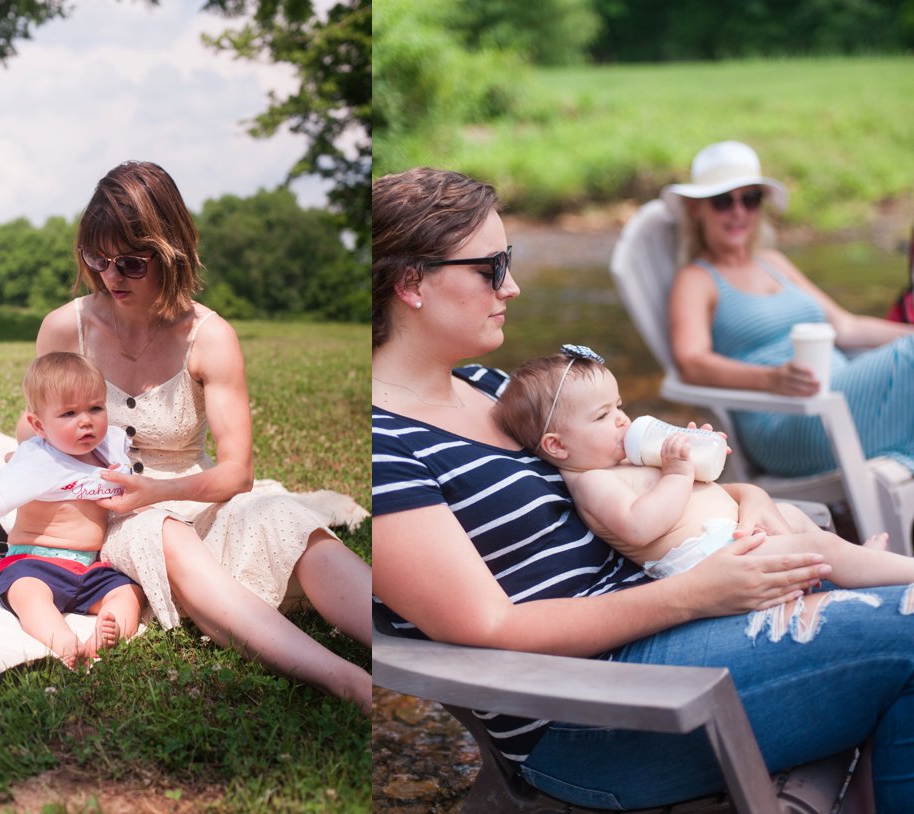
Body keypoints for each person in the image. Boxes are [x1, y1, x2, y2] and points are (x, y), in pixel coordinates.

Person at [372, 165, 914, 810]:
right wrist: (694, 595)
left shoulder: (493, 389)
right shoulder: (384, 444)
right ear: (410, 283)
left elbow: (628, 480)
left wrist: (747, 500)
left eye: (507, 260)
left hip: (685, 631)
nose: (511, 286)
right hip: (605, 712)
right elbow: (489, 627)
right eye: (490, 266)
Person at [28, 160, 371, 714]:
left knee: (288, 524)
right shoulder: (66, 328)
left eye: (132, 262)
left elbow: (238, 473)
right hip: (105, 508)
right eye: (98, 258)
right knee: (160, 533)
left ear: (171, 253)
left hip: (194, 490)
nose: (111, 275)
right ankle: (347, 680)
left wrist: (161, 492)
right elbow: (34, 422)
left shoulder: (209, 337)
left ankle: (420, 650)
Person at [494, 345, 914, 584]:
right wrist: (676, 473)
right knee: (816, 546)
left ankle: (858, 567)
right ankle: (895, 573)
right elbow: (640, 525)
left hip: (731, 536)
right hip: (707, 562)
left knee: (793, 517)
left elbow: (701, 490)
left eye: (619, 406)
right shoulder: (592, 481)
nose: (622, 418)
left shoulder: (624, 458)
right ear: (557, 445)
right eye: (602, 416)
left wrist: (698, 455)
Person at [664, 140, 914, 477]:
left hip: (841, 399)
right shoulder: (696, 279)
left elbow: (847, 326)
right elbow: (692, 363)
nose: (739, 211)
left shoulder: (773, 262)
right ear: (698, 210)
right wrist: (772, 379)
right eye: (723, 201)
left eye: (750, 199)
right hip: (787, 421)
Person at [0, 352, 146, 667]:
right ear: (39, 425)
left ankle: (105, 638)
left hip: (89, 569)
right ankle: (64, 642)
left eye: (95, 408)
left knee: (128, 592)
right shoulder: (38, 460)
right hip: (35, 563)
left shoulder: (110, 447)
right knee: (28, 595)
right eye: (69, 413)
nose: (86, 420)